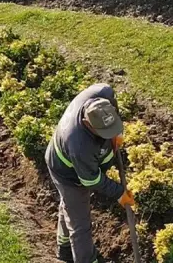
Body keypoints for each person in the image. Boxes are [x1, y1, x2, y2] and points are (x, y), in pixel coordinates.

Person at [45, 83, 135, 263]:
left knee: (70, 206)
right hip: (67, 173)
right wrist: (119, 193)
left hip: (78, 161)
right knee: (81, 224)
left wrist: (116, 134)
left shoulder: (103, 94)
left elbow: (111, 106)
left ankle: (64, 248)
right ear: (88, 123)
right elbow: (90, 180)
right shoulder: (79, 144)